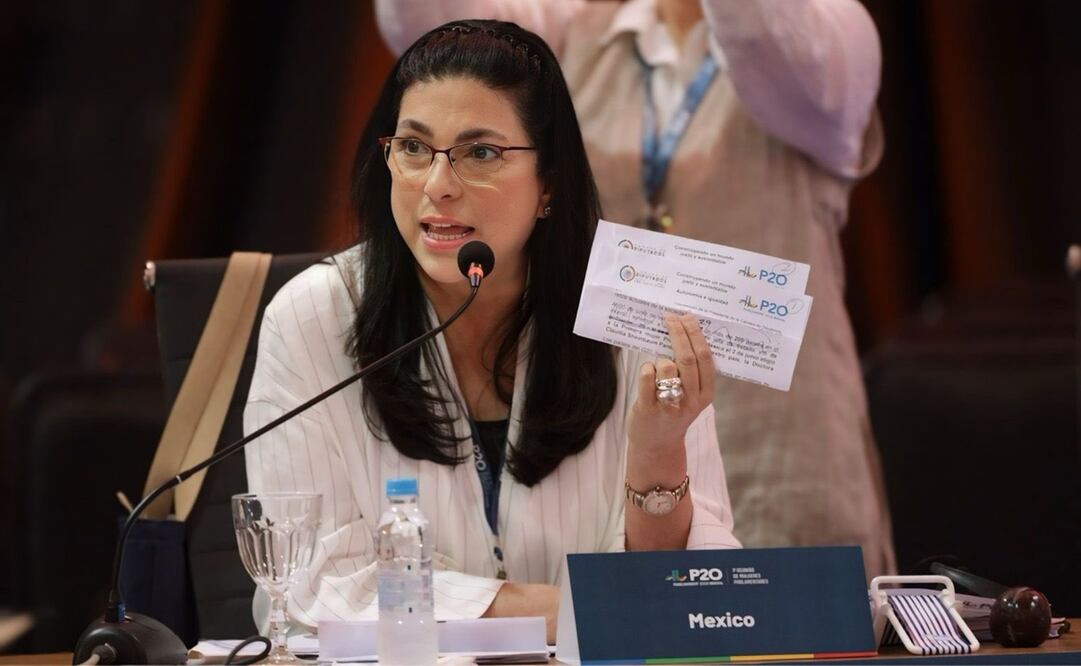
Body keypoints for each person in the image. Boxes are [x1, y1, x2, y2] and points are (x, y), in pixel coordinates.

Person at [243, 19, 740, 643]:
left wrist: (656, 453)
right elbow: (317, 583)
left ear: (549, 186)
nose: (437, 185)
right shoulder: (312, 318)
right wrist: (559, 611)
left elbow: (685, 595)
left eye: (481, 153)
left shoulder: (635, 319)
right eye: (414, 148)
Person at [376, 0, 896, 578]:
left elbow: (760, 31)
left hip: (781, 445)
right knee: (638, 616)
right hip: (626, 439)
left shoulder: (828, 25)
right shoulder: (575, 26)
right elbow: (431, 33)